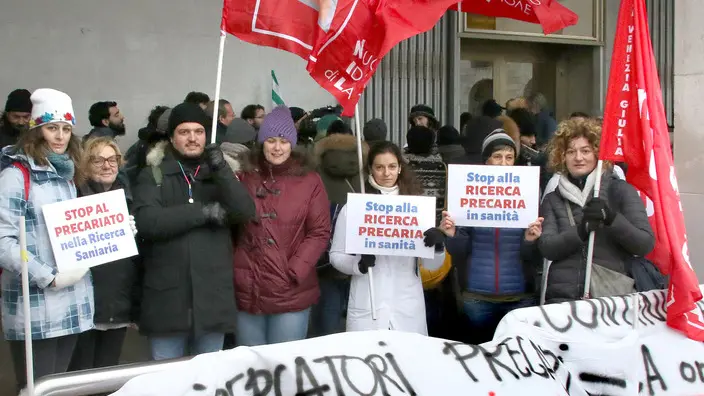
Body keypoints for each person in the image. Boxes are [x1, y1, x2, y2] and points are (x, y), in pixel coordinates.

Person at [132, 102, 255, 360]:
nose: (192, 138)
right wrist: (201, 213)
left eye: (198, 131)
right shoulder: (153, 173)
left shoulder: (218, 172)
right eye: (184, 132)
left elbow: (245, 211)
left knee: (207, 381)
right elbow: (148, 221)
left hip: (212, 298)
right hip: (167, 299)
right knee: (167, 381)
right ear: (171, 137)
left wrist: (221, 168)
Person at [0, 89, 93, 391]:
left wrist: (115, 231)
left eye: (66, 129)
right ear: (36, 130)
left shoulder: (67, 175)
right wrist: (47, 277)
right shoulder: (16, 175)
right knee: (36, 388)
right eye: (52, 127)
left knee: (59, 388)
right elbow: (3, 240)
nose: (60, 136)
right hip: (35, 307)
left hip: (72, 304)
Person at [232, 106, 330, 346]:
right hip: (248, 288)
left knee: (284, 367)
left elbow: (319, 231)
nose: (277, 147)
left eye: (284, 141)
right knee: (250, 367)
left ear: (293, 144)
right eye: (271, 140)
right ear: (262, 142)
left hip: (290, 291)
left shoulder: (310, 180)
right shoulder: (243, 176)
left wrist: (295, 269)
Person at [329, 141, 446, 335]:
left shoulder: (418, 208)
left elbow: (432, 265)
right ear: (370, 170)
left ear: (400, 168)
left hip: (407, 305)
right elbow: (336, 256)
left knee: (407, 363)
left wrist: (438, 246)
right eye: (379, 167)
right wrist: (357, 265)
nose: (386, 173)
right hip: (368, 303)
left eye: (392, 166)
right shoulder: (355, 208)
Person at [441, 131, 543, 344]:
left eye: (509, 157)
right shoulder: (468, 195)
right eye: (497, 156)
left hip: (520, 299)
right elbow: (459, 253)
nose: (503, 163)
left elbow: (534, 257)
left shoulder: (527, 194)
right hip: (478, 298)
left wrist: (529, 241)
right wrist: (452, 236)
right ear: (485, 160)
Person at [538, 118, 655, 303]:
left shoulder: (621, 191)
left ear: (597, 154)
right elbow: (548, 248)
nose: (578, 158)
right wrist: (581, 230)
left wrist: (612, 219)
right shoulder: (554, 198)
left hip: (609, 300)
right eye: (571, 152)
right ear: (562, 156)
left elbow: (644, 244)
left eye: (585, 151)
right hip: (563, 301)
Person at [69, 137, 138, 370]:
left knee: (107, 371)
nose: (107, 166)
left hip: (118, 303)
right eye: (98, 160)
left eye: (112, 159)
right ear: (85, 165)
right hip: (85, 302)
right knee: (80, 373)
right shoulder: (72, 198)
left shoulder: (130, 197)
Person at [309, 131, 368, 336]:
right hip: (361, 250)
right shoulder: (365, 171)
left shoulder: (314, 172)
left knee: (327, 304)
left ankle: (325, 345)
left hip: (324, 252)